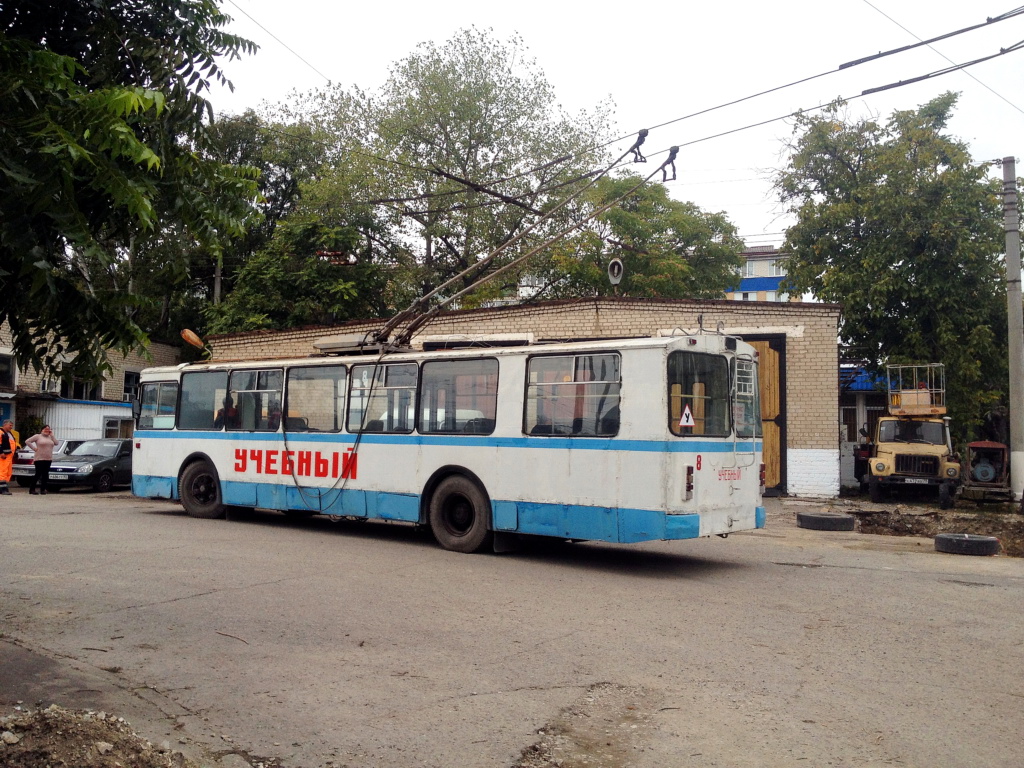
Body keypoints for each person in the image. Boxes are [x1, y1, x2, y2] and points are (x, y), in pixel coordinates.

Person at [24, 425, 57, 495]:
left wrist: (52, 435)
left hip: (48, 458)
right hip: (39, 458)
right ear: (42, 430)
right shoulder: (38, 436)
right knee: (38, 474)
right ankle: (32, 489)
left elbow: (56, 443)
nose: (47, 431)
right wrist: (34, 448)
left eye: (48, 429)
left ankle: (43, 489)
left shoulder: (50, 437)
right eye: (45, 429)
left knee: (45, 474)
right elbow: (27, 441)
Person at [0, 419, 19, 495]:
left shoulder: (9, 433)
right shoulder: (1, 433)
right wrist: (1, 452)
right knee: (2, 472)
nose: (11, 427)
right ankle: (3, 489)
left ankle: (3, 488)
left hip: (9, 456)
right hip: (3, 456)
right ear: (5, 425)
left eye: (12, 425)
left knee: (8, 472)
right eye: (10, 425)